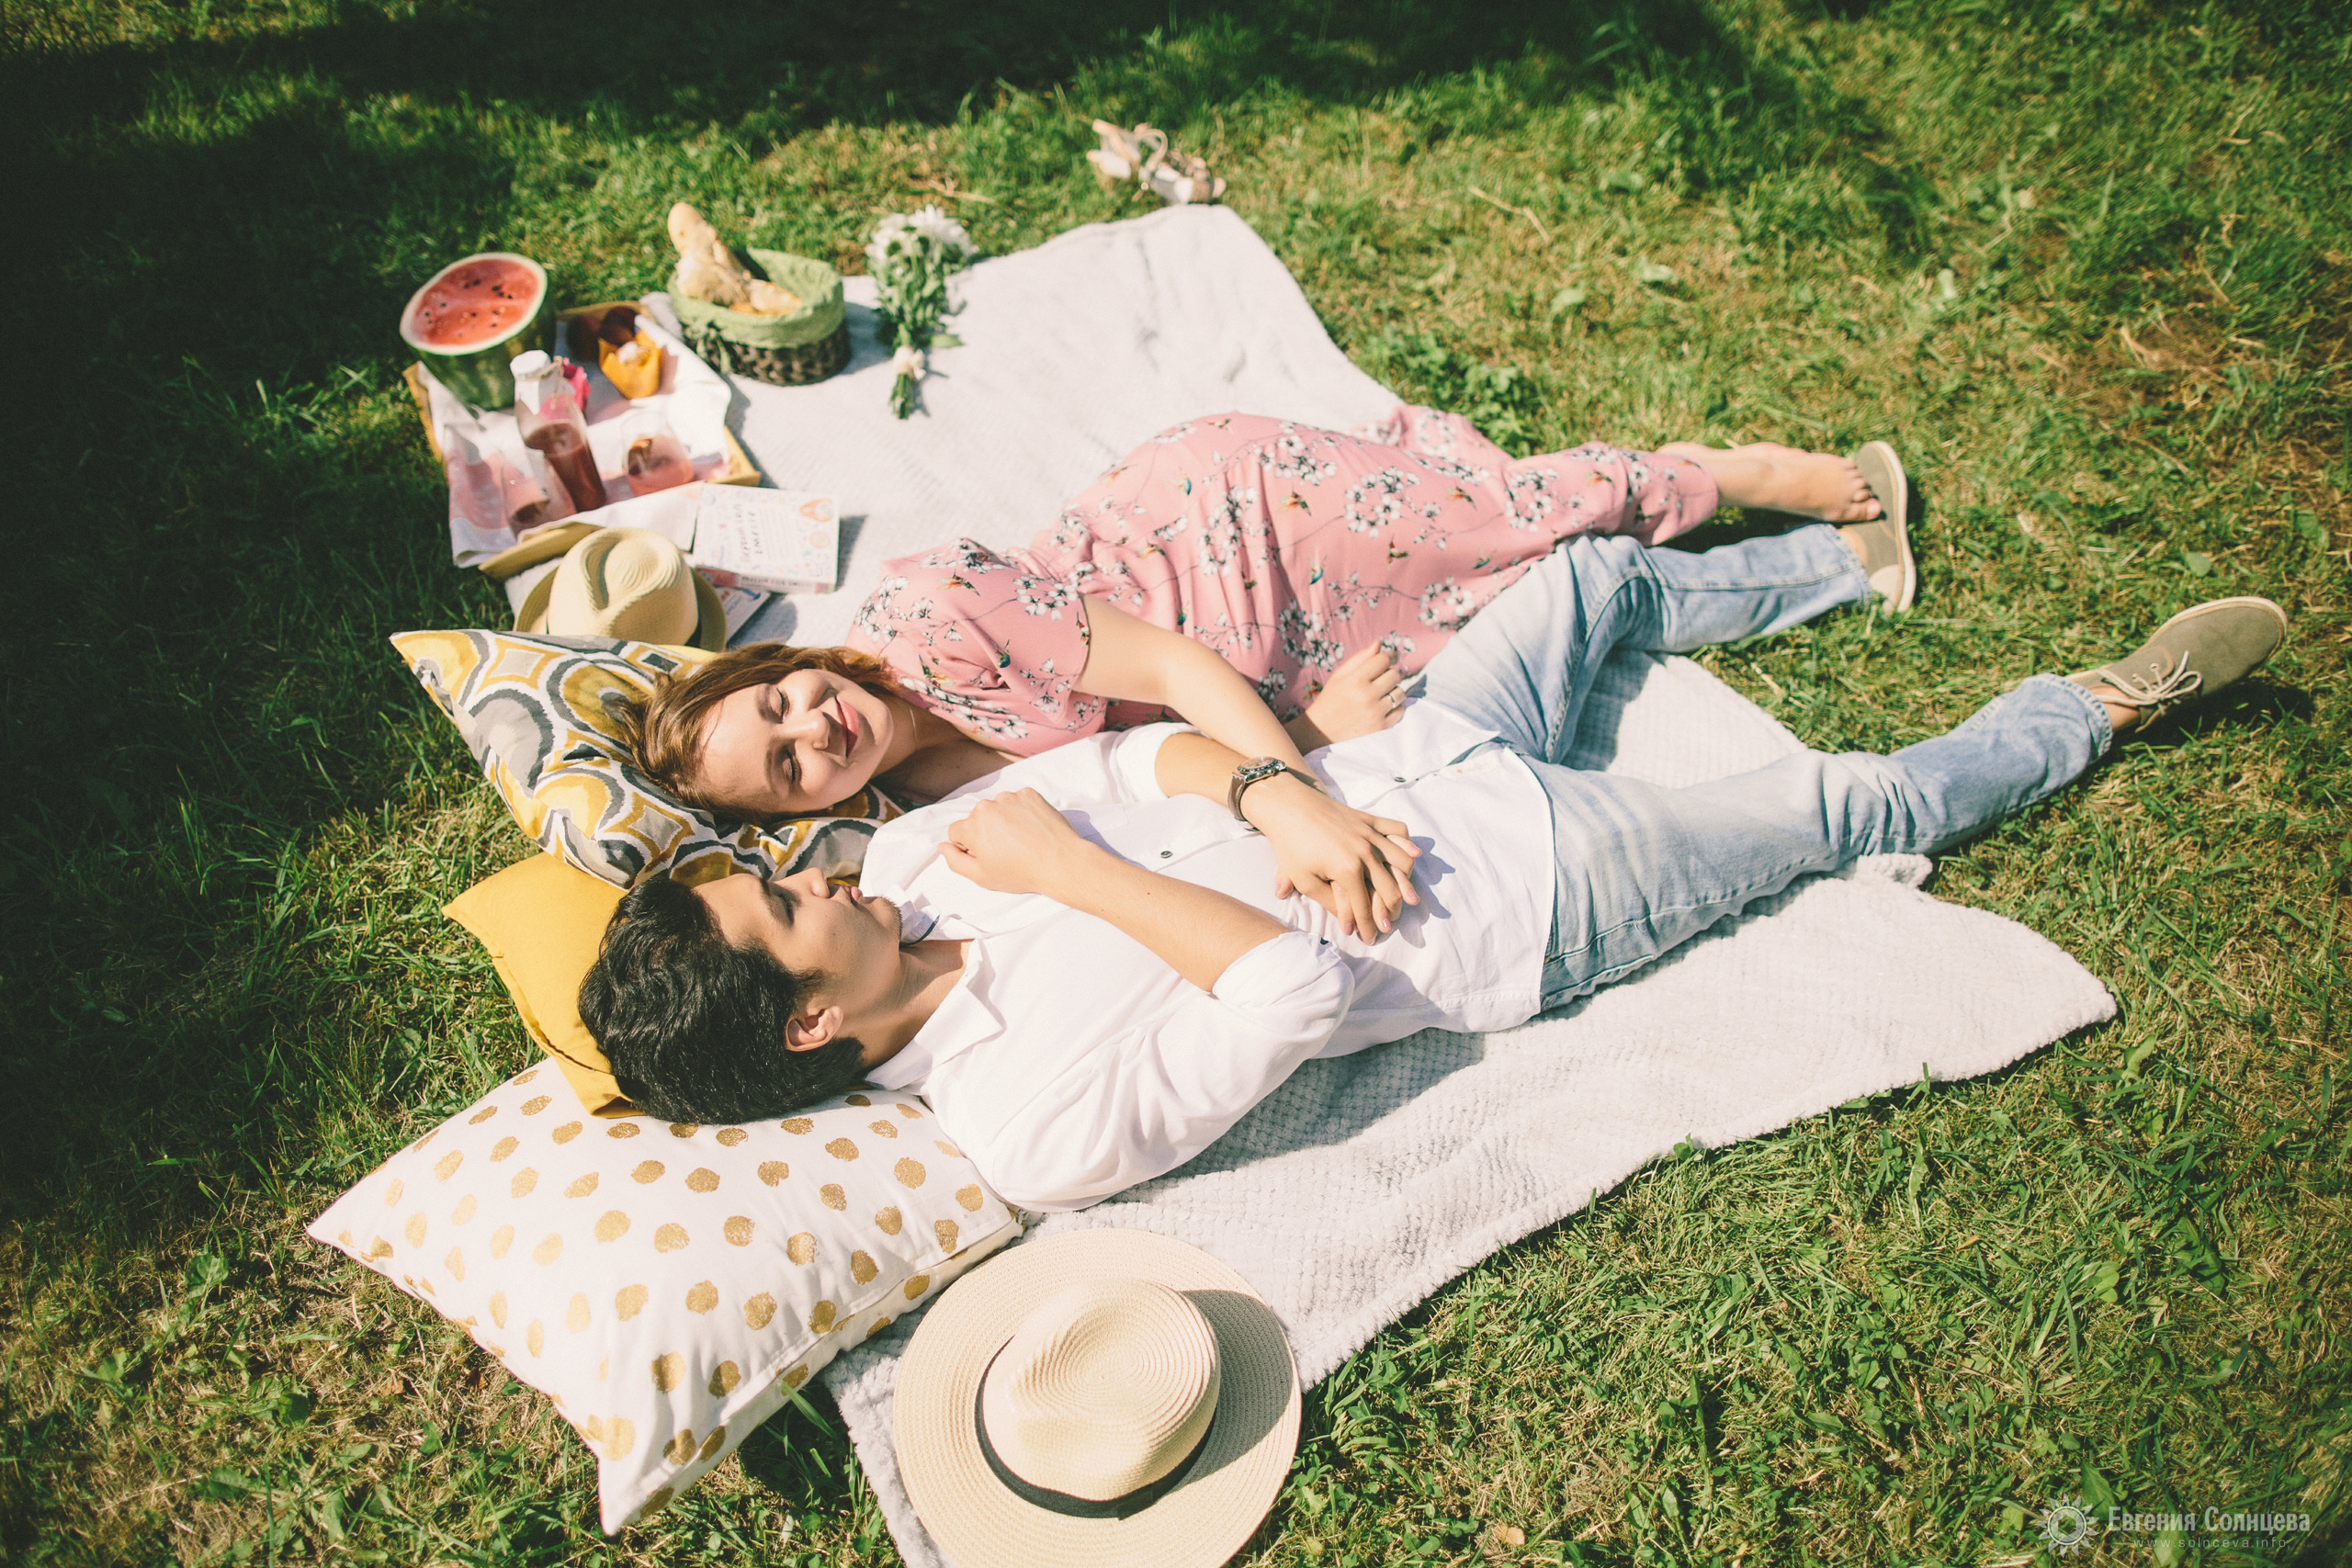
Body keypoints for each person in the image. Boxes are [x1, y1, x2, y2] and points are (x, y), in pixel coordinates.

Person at [579, 513, 2290, 1212]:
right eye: (794, 901)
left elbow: (1140, 756)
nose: (832, 873)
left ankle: (1856, 561)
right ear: (810, 1023)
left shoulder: (921, 852)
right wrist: (1078, 879)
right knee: (1842, 805)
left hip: (1394, 767)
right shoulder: (1021, 1125)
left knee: (1589, 580)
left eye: (792, 866)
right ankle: (2100, 705)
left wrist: (1279, 794)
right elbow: (1294, 997)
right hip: (1519, 901)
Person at [619, 409, 1913, 935]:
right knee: (1510, 602)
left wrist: (1297, 787)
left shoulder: (924, 613)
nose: (814, 730)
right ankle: (1790, 560)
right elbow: (1152, 773)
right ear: (803, 813)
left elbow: (1172, 667)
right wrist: (1312, 728)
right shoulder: (926, 815)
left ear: (781, 662)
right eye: (784, 767)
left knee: (1508, 522)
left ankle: (1727, 472)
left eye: (779, 701)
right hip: (1267, 677)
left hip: (1234, 529)